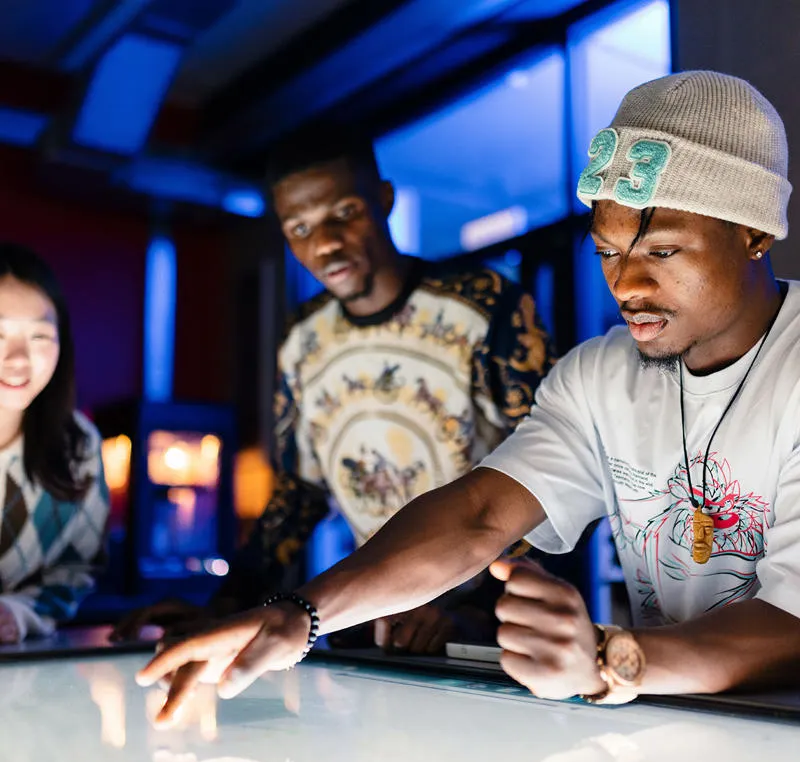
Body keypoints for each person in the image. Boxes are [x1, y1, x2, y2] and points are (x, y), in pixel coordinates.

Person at [138, 70, 800, 723]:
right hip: (674, 726)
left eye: (661, 249)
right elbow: (480, 512)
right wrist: (299, 615)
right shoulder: (598, 376)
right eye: (606, 251)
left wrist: (612, 659)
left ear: (755, 232)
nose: (624, 283)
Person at [114, 130, 556, 654]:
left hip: (492, 624)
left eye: (343, 213)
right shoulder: (301, 340)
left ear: (384, 200)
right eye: (299, 228)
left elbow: (551, 471)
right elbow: (300, 493)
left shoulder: (486, 304)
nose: (324, 244)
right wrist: (223, 606)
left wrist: (470, 610)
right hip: (374, 610)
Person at [0, 243, 109, 643]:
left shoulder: (76, 446)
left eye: (39, 336)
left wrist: (18, 613)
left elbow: (77, 571)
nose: (17, 359)